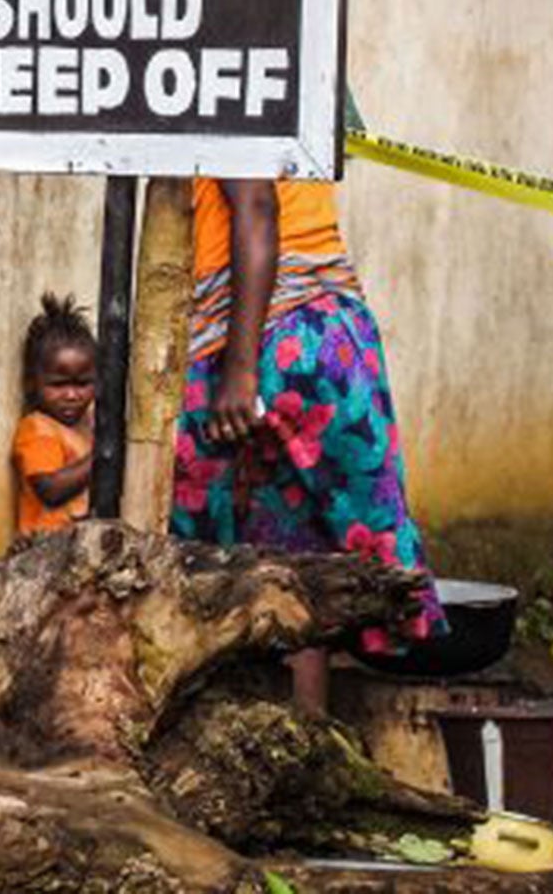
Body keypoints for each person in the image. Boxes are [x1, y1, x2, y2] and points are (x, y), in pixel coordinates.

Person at [170, 177, 442, 714]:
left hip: (270, 335)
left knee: (197, 556)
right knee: (294, 564)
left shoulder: (240, 92)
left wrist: (241, 370)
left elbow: (257, 205)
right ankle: (300, 741)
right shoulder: (309, 102)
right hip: (326, 333)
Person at [12, 292, 98, 536]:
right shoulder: (38, 430)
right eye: (58, 385)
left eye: (82, 384)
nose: (71, 395)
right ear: (31, 383)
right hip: (45, 555)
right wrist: (102, 455)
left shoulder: (88, 424)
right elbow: (50, 491)